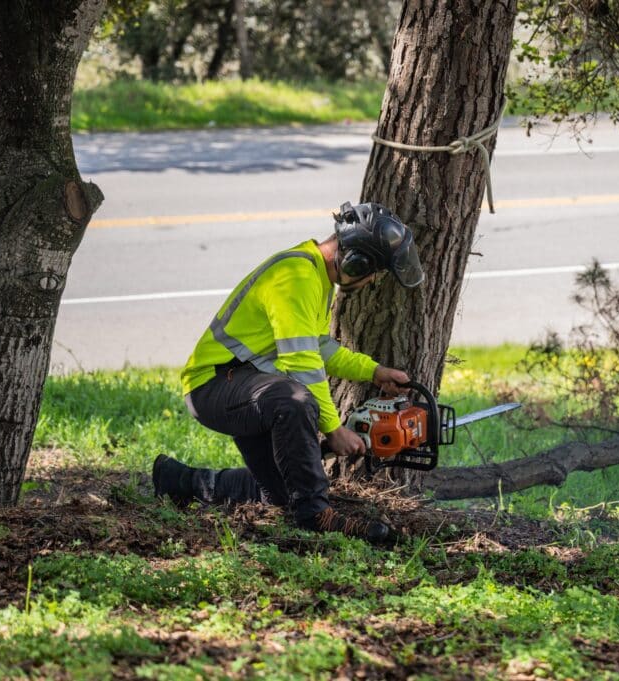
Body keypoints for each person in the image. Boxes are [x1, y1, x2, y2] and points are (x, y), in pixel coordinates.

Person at [152, 201, 424, 545]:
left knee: (281, 491)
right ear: (357, 260)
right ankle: (316, 516)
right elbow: (303, 365)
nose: (371, 281)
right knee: (295, 400)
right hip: (214, 385)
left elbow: (319, 347)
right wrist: (334, 430)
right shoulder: (297, 278)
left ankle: (180, 481)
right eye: (373, 273)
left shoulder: (315, 278)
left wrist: (374, 372)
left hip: (244, 384)